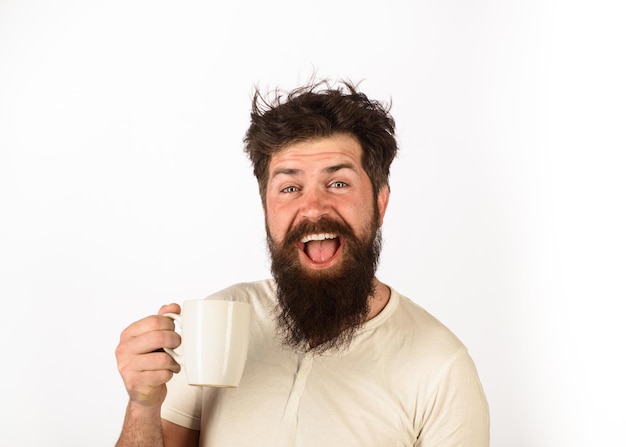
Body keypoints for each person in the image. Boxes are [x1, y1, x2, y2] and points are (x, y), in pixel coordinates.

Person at [114, 79, 490, 446]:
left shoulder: (441, 367)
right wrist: (143, 406)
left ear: (380, 203)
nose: (312, 208)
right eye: (290, 188)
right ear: (266, 210)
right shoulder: (218, 322)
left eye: (339, 183)